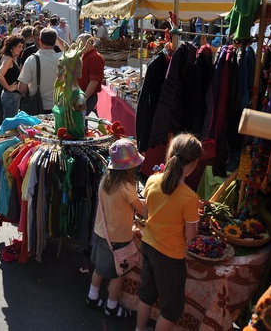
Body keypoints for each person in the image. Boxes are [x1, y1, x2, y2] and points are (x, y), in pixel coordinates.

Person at [136, 133, 202, 331]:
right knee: (171, 309)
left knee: (146, 295)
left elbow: (147, 214)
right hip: (170, 257)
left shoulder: (152, 180)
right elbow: (191, 237)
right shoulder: (190, 197)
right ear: (193, 164)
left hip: (147, 246)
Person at [86, 139, 145, 319]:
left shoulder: (105, 181)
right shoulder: (128, 187)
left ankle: (92, 296)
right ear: (130, 167)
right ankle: (111, 306)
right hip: (119, 238)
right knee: (119, 273)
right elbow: (142, 211)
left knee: (99, 269)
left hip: (101, 233)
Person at [18, 28, 62, 115]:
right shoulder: (62, 58)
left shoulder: (31, 59)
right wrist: (56, 38)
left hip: (36, 107)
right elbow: (69, 50)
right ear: (55, 42)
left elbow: (22, 88)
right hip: (58, 107)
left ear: (40, 40)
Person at [0, 35, 25, 119]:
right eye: (19, 46)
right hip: (11, 96)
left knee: (10, 122)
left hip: (12, 96)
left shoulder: (11, 58)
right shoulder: (8, 59)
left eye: (22, 46)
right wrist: (9, 88)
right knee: (10, 125)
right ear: (12, 46)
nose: (21, 49)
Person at [77, 33, 105, 116]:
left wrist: (83, 99)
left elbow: (94, 81)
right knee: (80, 122)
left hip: (87, 97)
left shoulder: (95, 57)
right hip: (81, 96)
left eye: (80, 43)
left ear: (89, 43)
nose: (78, 46)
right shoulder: (84, 55)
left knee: (80, 120)